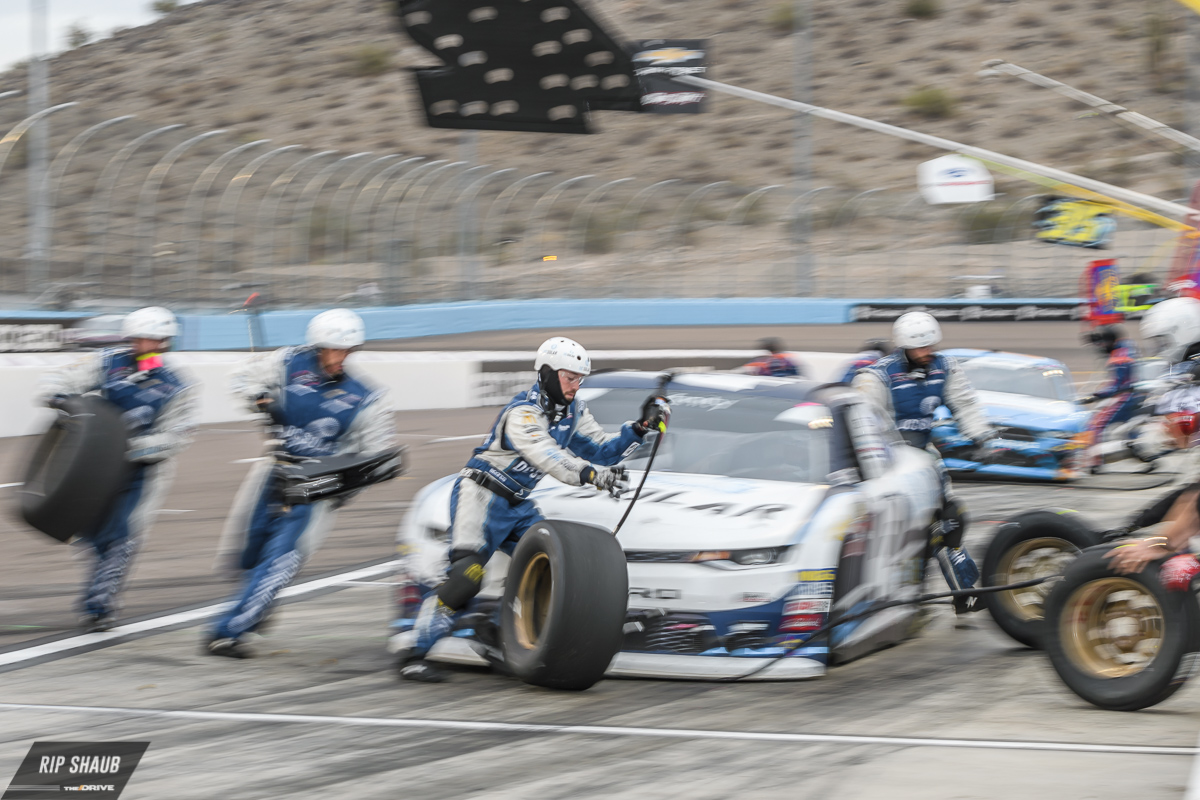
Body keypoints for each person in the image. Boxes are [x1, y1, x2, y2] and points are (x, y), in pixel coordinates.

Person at [396, 336, 668, 682]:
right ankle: (414, 653)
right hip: (481, 495)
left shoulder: (574, 411)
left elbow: (603, 450)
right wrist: (591, 475)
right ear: (547, 374)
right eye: (569, 378)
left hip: (518, 504)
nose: (576, 386)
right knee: (468, 576)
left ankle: (496, 629)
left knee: (557, 566)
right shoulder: (522, 413)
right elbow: (549, 456)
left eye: (580, 379)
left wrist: (640, 428)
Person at [205, 308, 395, 658]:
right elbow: (241, 378)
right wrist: (260, 399)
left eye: (347, 350)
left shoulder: (367, 397)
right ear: (317, 347)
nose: (339, 357)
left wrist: (341, 490)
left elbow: (374, 456)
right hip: (274, 471)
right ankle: (258, 605)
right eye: (333, 349)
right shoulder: (288, 361)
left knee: (280, 560)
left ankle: (228, 632)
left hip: (317, 487)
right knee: (248, 554)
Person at [37, 306, 196, 632]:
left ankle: (100, 606)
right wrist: (59, 398)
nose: (140, 345)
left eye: (149, 339)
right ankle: (99, 588)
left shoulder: (177, 386)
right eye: (136, 338)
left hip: (140, 471)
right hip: (96, 465)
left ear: (164, 341)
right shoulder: (108, 362)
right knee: (89, 534)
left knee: (121, 536)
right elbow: (62, 379)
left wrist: (134, 447)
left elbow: (178, 436)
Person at [851, 311, 995, 611]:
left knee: (952, 520)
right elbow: (862, 425)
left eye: (930, 345)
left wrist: (982, 436)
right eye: (919, 348)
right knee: (908, 535)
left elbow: (965, 404)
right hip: (888, 465)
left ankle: (963, 593)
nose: (927, 352)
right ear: (904, 347)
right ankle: (893, 599)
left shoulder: (945, 367)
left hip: (925, 458)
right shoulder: (876, 377)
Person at [1076, 325, 1142, 473]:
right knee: (1131, 429)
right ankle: (1144, 454)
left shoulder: (1119, 358)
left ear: (1110, 341)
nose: (1101, 347)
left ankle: (1093, 463)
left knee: (1095, 424)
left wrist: (1096, 395)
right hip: (1137, 395)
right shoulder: (1127, 346)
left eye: (1102, 343)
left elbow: (1118, 386)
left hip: (1125, 397)